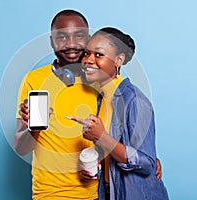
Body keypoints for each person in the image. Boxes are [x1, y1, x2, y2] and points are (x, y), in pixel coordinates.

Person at [14, 10, 163, 199]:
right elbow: (21, 148)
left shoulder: (99, 82)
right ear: (51, 41)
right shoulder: (34, 80)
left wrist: (146, 157)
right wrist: (32, 126)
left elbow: (118, 130)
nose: (71, 44)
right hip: (48, 193)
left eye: (79, 36)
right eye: (62, 37)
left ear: (89, 39)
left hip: (95, 193)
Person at [71, 27, 169, 199]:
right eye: (87, 53)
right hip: (110, 193)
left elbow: (147, 163)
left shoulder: (135, 100)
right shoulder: (101, 99)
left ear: (119, 60)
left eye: (99, 55)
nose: (88, 60)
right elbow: (117, 149)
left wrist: (101, 137)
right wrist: (97, 162)